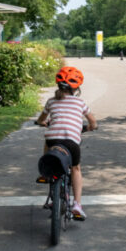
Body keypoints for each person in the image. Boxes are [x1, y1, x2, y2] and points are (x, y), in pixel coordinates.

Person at [35, 65, 97, 220]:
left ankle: (46, 171)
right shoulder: (80, 103)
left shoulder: (51, 102)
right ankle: (77, 204)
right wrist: (90, 127)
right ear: (76, 89)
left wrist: (41, 122)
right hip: (71, 142)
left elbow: (42, 119)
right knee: (75, 169)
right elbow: (93, 122)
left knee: (48, 140)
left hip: (53, 140)